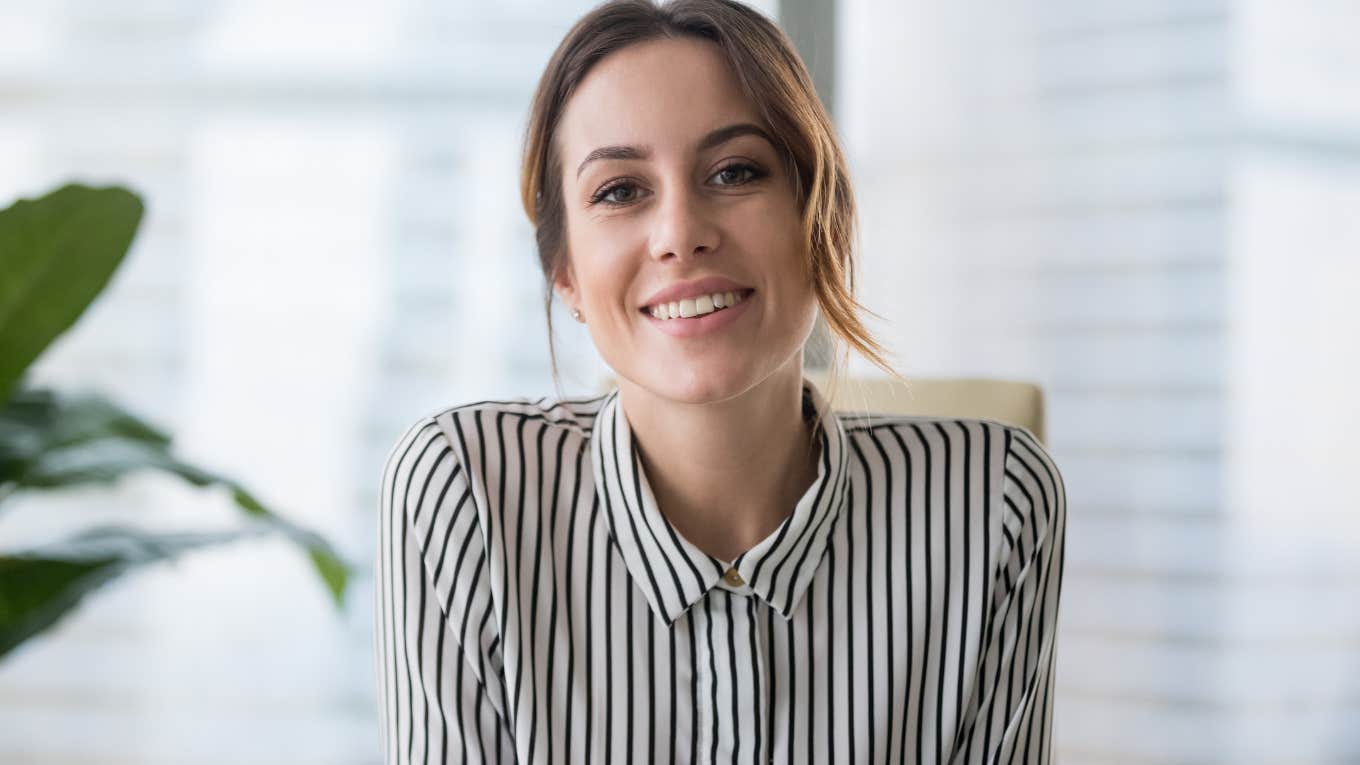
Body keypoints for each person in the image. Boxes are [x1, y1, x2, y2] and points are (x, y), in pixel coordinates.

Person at [373, 0, 1067, 762]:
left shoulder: (994, 501)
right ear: (565, 271)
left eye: (735, 172)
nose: (679, 234)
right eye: (620, 190)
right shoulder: (465, 492)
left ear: (824, 223)